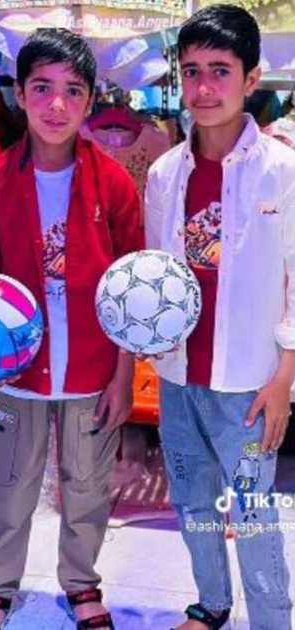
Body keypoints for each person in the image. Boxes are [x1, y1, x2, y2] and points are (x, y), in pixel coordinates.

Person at [0, 28, 144, 629]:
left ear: (91, 100)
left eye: (72, 90)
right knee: (10, 482)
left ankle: (82, 583)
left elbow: (129, 295)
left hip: (92, 369)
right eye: (42, 88)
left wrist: (123, 376)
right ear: (19, 93)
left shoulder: (114, 183)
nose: (57, 105)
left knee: (87, 485)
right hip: (19, 370)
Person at [145, 5, 294, 628]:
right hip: (180, 380)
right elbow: (157, 276)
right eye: (193, 71)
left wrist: (285, 376)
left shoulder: (283, 173)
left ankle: (271, 618)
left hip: (250, 386)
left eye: (220, 71)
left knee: (254, 510)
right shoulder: (163, 174)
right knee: (192, 502)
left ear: (251, 79)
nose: (204, 89)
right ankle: (210, 604)